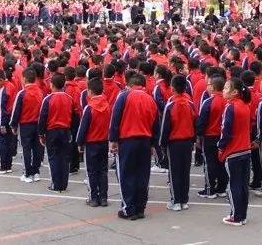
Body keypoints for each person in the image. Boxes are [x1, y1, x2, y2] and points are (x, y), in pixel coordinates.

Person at [109, 73, 159, 221]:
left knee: (126, 174)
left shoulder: (124, 96)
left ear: (129, 85)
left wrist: (113, 139)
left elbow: (115, 118)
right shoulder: (150, 99)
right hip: (145, 140)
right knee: (142, 175)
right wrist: (153, 144)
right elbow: (156, 124)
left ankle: (128, 208)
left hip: (128, 140)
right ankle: (140, 207)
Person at [218, 76, 253, 226]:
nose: (223, 91)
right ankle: (242, 214)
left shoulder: (230, 107)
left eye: (226, 88)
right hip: (245, 149)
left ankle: (236, 215)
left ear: (235, 92)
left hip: (234, 150)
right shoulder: (245, 106)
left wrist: (220, 145)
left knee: (234, 185)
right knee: (243, 184)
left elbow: (226, 130)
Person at [159, 73, 197, 210]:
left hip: (174, 143)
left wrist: (162, 144)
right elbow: (195, 123)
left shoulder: (170, 106)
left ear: (172, 89)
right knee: (185, 171)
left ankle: (176, 201)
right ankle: (184, 200)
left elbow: (165, 127)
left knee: (174, 171)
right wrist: (194, 139)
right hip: (188, 142)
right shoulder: (190, 104)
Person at [77, 77, 110, 207]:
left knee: (91, 171)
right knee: (103, 170)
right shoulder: (107, 106)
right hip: (103, 141)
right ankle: (103, 197)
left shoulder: (89, 108)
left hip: (91, 143)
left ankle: (93, 197)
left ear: (90, 91)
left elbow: (83, 127)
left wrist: (79, 142)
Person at [38, 73, 73, 193]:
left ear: (51, 84)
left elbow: (42, 117)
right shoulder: (69, 98)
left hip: (52, 131)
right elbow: (74, 116)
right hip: (65, 130)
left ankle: (56, 184)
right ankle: (64, 183)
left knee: (53, 157)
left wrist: (41, 134)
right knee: (64, 157)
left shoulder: (48, 99)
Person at [10, 67, 45, 183]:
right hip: (38, 124)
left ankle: (27, 173)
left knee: (26, 149)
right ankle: (36, 171)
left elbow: (16, 111)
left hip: (25, 124)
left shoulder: (22, 93)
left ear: (24, 79)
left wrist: (13, 125)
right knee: (37, 148)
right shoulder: (40, 92)